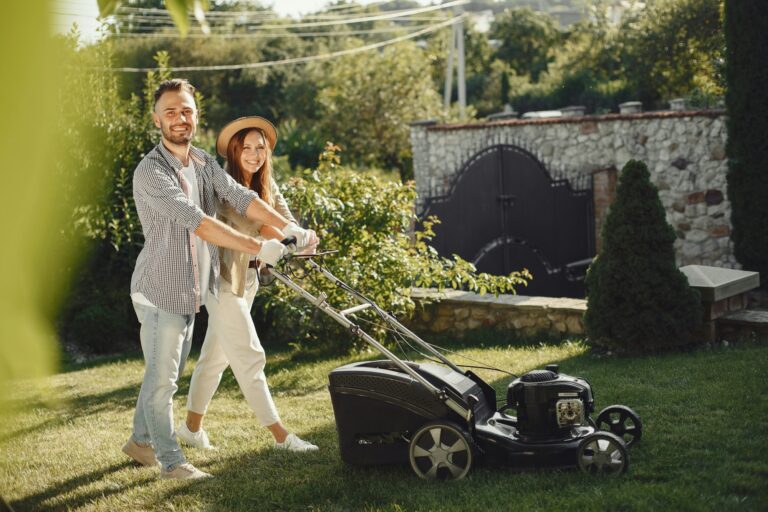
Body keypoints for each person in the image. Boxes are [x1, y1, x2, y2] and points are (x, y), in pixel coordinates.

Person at [121, 79, 318, 480]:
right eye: (171, 111)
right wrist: (258, 246)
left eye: (187, 111)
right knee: (164, 383)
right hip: (160, 289)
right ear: (157, 118)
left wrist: (288, 230)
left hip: (194, 287)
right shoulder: (151, 172)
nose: (180, 118)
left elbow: (242, 197)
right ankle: (173, 464)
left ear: (196, 116)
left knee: (164, 373)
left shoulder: (204, 164)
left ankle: (140, 442)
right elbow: (200, 224)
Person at [176, 116, 319, 453]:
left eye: (261, 147)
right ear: (235, 151)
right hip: (220, 279)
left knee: (216, 357)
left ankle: (190, 429)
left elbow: (282, 216)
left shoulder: (267, 184)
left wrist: (303, 235)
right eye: (248, 148)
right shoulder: (223, 185)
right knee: (249, 354)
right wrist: (287, 234)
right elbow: (256, 219)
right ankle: (281, 437)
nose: (255, 154)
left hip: (248, 279)